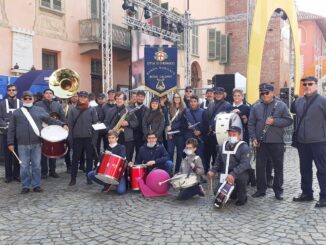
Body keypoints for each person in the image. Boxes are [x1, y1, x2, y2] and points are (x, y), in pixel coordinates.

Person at [7, 91, 67, 194]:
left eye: (30, 98)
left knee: (36, 166)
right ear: (22, 100)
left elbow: (50, 120)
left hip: (36, 143)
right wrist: (10, 143)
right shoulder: (16, 112)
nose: (27, 100)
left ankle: (36, 185)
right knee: (24, 166)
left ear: (33, 100)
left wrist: (62, 124)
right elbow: (11, 129)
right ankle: (25, 186)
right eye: (25, 98)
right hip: (22, 144)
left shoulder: (39, 110)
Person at [248, 83, 293, 200]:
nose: (264, 95)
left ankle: (278, 190)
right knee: (260, 167)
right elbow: (251, 124)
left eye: (266, 93)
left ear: (272, 93)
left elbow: (288, 121)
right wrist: (253, 138)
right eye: (262, 93)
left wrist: (275, 122)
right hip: (260, 142)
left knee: (278, 167)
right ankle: (261, 189)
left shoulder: (281, 105)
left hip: (276, 141)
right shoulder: (255, 107)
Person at [292, 76, 326, 208]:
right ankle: (307, 193)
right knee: (304, 169)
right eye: (304, 84)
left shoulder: (323, 101)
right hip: (302, 142)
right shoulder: (299, 101)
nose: (307, 86)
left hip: (319, 141)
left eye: (310, 84)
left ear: (316, 85)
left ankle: (324, 196)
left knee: (322, 169)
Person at [208, 126, 251, 206]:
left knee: (242, 178)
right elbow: (218, 161)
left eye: (234, 134)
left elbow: (245, 164)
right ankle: (233, 192)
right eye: (230, 134)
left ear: (239, 135)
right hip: (226, 172)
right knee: (216, 193)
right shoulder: (223, 146)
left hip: (239, 173)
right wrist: (213, 170)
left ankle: (242, 196)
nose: (231, 137)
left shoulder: (244, 147)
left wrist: (233, 174)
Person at [67, 91, 98, 186]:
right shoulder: (72, 110)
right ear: (78, 98)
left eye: (85, 97)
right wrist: (70, 139)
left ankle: (89, 178)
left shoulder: (92, 110)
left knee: (89, 159)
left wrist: (94, 139)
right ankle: (73, 178)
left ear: (88, 98)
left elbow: (95, 125)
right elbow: (70, 125)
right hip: (77, 138)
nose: (83, 99)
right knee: (75, 159)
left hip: (88, 138)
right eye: (81, 97)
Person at [35, 88, 65, 179]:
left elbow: (62, 117)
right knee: (43, 151)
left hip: (54, 130)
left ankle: (53, 171)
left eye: (50, 93)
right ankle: (44, 172)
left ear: (53, 95)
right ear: (44, 95)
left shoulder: (57, 105)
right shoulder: (37, 104)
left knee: (53, 150)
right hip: (42, 130)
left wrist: (63, 125)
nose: (48, 95)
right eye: (47, 93)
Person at [87, 130, 127, 194]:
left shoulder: (121, 147)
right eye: (109, 138)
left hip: (118, 174)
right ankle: (107, 183)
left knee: (120, 191)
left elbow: (122, 158)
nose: (111, 140)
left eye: (113, 138)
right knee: (90, 174)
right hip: (107, 172)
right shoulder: (107, 148)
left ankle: (117, 183)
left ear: (117, 138)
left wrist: (111, 154)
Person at [204, 87, 232, 172]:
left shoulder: (227, 105)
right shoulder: (211, 104)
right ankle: (206, 169)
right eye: (216, 93)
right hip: (209, 133)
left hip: (220, 133)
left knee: (217, 153)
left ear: (223, 94)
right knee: (208, 152)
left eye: (220, 93)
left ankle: (216, 170)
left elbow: (227, 120)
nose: (218, 95)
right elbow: (207, 117)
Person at [104, 92, 138, 162]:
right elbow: (106, 123)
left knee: (127, 159)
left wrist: (128, 123)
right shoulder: (110, 110)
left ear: (124, 100)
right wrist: (109, 130)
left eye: (120, 99)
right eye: (117, 99)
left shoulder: (129, 111)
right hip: (114, 139)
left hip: (127, 139)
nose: (118, 100)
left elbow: (136, 123)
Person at [0, 84, 22, 183]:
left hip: (18, 134)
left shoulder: (21, 103)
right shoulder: (2, 103)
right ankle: (8, 176)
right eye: (9, 90)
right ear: (7, 91)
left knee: (18, 155)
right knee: (7, 155)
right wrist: (7, 125)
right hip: (6, 133)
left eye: (13, 90)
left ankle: (16, 175)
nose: (11, 91)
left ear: (16, 91)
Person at [182, 95, 205, 169]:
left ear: (197, 102)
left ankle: (200, 174)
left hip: (199, 138)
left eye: (194, 101)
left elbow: (206, 126)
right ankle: (187, 172)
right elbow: (182, 124)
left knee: (199, 156)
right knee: (188, 156)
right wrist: (187, 127)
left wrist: (200, 132)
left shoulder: (203, 112)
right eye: (191, 101)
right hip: (188, 137)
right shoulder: (186, 111)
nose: (192, 103)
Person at [166, 92, 185, 173]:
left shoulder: (184, 109)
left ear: (180, 98)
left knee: (179, 154)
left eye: (178, 97)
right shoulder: (169, 108)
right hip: (171, 135)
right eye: (175, 97)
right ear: (173, 99)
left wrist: (172, 127)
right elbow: (167, 120)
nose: (176, 99)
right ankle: (170, 170)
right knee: (170, 152)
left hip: (180, 134)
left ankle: (177, 171)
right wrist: (169, 131)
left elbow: (182, 122)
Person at [129, 90, 149, 158]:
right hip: (131, 133)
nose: (140, 98)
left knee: (139, 154)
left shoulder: (146, 109)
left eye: (142, 96)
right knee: (129, 153)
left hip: (141, 135)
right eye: (139, 96)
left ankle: (137, 168)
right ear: (136, 97)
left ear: (144, 98)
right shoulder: (130, 107)